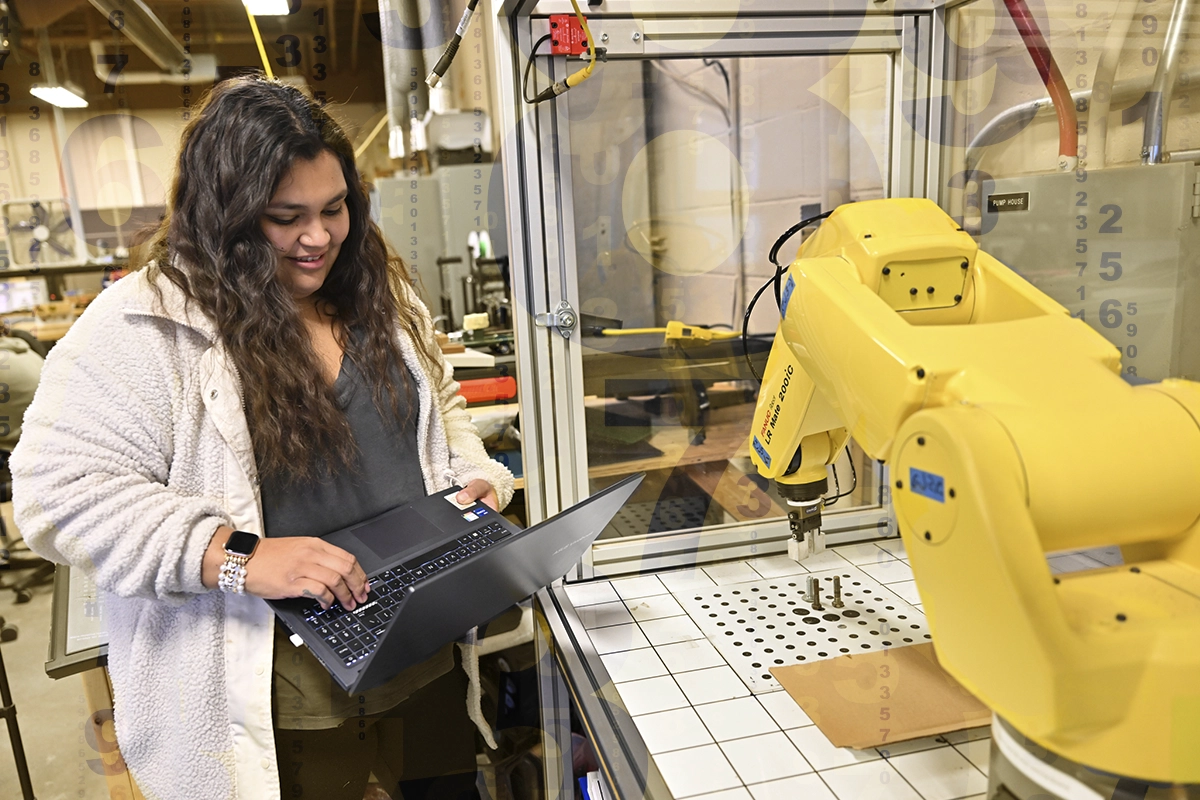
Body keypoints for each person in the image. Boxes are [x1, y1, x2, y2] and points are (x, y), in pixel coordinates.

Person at [11, 76, 513, 800]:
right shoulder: (141, 327)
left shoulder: (376, 289)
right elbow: (59, 496)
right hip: (286, 705)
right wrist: (238, 557)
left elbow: (442, 402)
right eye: (286, 218)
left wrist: (472, 476)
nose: (318, 238)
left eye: (334, 209)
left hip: (420, 658)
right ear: (226, 216)